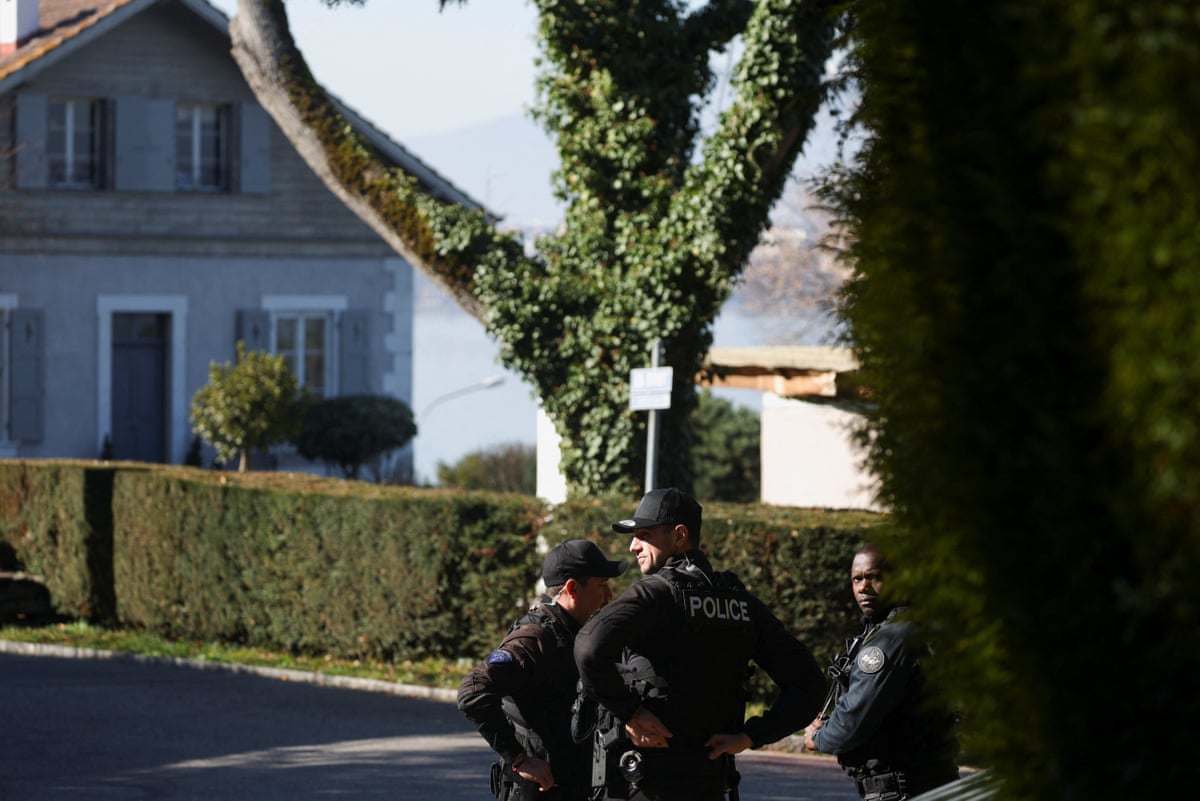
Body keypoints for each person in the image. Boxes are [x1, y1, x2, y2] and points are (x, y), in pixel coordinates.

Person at [573, 488, 827, 801]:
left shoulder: (654, 594)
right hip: (710, 781)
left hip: (647, 783)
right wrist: (751, 736)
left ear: (679, 535)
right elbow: (810, 684)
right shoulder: (741, 603)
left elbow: (587, 647)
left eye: (644, 535)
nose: (633, 546)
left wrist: (633, 713)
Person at [459, 539, 629, 801]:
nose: (608, 597)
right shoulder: (532, 639)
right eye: (601, 586)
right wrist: (519, 758)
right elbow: (473, 691)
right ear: (572, 588)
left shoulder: (576, 633)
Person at [804, 544, 959, 800]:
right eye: (857, 579)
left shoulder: (891, 640)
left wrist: (818, 737)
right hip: (927, 783)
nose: (863, 587)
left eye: (874, 577)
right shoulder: (914, 627)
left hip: (904, 789)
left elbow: (855, 716)